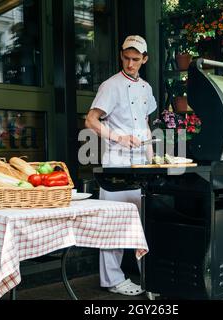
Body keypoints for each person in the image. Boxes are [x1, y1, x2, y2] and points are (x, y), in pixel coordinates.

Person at [85, 35, 157, 296]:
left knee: (141, 223)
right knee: (113, 224)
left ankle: (148, 278)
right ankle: (113, 280)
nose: (130, 63)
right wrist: (118, 137)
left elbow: (145, 125)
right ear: (121, 56)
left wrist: (152, 159)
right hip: (116, 166)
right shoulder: (110, 86)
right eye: (126, 58)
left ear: (144, 59)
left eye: (136, 59)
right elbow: (91, 121)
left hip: (140, 168)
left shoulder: (146, 89)